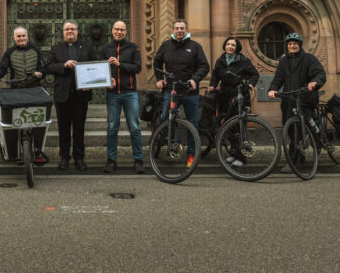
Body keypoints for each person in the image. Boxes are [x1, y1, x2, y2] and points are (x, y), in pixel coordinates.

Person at [153, 18, 210, 168]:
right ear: (173, 30)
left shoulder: (195, 46)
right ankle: (176, 145)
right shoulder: (166, 46)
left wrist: (195, 79)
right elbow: (157, 61)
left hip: (190, 92)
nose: (179, 30)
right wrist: (159, 78)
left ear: (186, 30)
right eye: (177, 28)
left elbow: (204, 66)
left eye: (182, 28)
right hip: (171, 90)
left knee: (192, 123)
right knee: (167, 119)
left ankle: (192, 155)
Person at [267, 32, 326, 172]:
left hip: (306, 98)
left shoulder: (309, 58)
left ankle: (317, 141)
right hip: (289, 100)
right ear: (287, 46)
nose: (292, 46)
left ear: (299, 45)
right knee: (293, 130)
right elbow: (278, 79)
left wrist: (315, 82)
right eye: (290, 44)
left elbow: (320, 73)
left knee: (308, 124)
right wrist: (272, 89)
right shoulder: (283, 61)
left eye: (295, 44)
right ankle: (297, 160)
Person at [0, 26, 47, 164]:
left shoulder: (35, 50)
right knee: (17, 122)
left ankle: (38, 151)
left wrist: (41, 73)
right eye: (18, 36)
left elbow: (44, 67)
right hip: (17, 91)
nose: (21, 38)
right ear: (14, 38)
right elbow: (2, 67)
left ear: (27, 36)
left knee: (38, 121)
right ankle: (18, 151)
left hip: (34, 91)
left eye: (23, 36)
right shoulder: (10, 52)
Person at [45, 20, 97, 171]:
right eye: (67, 29)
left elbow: (94, 67)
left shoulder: (87, 47)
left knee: (79, 129)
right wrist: (64, 65)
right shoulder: (56, 48)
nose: (70, 32)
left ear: (77, 31)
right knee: (64, 129)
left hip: (81, 95)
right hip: (63, 95)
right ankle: (64, 157)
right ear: (63, 32)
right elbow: (49, 67)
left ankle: (79, 158)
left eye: (72, 29)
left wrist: (91, 84)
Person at [207, 37, 259, 168]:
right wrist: (212, 85)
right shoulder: (221, 60)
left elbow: (255, 74)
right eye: (228, 44)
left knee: (239, 127)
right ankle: (234, 153)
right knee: (229, 127)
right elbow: (215, 76)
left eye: (233, 45)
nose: (230, 47)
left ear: (237, 48)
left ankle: (242, 158)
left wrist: (251, 84)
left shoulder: (243, 61)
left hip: (240, 96)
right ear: (225, 46)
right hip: (224, 96)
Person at [100, 21, 144, 174]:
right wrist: (107, 80)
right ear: (112, 31)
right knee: (112, 128)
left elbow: (137, 68)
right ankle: (111, 160)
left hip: (129, 93)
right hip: (113, 94)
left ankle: (138, 160)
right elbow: (101, 69)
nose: (119, 32)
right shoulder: (105, 48)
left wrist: (119, 64)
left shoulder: (133, 47)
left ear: (126, 32)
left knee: (134, 127)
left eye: (122, 30)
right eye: (116, 29)